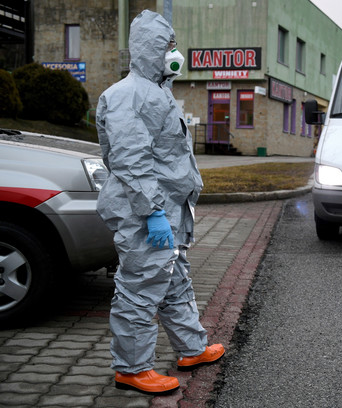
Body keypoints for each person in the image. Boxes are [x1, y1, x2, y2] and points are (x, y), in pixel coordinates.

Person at [96, 10, 224, 395]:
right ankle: (132, 369)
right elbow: (130, 160)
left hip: (168, 209)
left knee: (174, 280)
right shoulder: (126, 96)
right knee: (140, 286)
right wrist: (152, 212)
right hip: (144, 211)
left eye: (173, 44)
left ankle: (191, 349)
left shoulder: (157, 92)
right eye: (167, 45)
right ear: (148, 48)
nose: (174, 52)